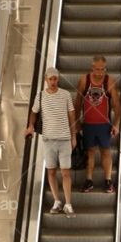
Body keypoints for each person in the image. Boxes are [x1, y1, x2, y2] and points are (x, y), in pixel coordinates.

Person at [25, 67, 76, 216]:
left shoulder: (65, 95)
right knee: (51, 171)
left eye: (55, 79)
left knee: (66, 172)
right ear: (46, 80)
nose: (53, 82)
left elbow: (72, 116)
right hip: (48, 140)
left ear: (58, 79)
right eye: (50, 79)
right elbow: (34, 112)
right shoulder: (40, 96)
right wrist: (30, 126)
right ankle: (57, 201)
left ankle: (68, 203)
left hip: (64, 139)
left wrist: (73, 136)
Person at [75, 55, 120, 193]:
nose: (100, 72)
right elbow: (77, 103)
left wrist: (116, 124)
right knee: (89, 152)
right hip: (88, 124)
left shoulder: (109, 81)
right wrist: (77, 121)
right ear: (92, 68)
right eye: (97, 69)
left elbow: (117, 105)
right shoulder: (84, 80)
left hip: (104, 124)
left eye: (103, 69)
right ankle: (89, 180)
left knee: (105, 152)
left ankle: (108, 180)